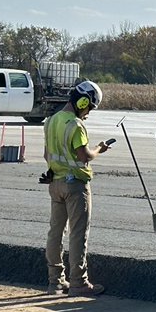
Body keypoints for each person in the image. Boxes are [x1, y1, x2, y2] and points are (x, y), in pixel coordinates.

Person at [44, 80, 110, 297]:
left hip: (56, 184)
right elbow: (84, 156)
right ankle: (78, 283)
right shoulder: (75, 125)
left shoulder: (52, 121)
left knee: (56, 232)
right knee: (78, 234)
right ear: (83, 102)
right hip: (75, 187)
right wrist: (100, 149)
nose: (88, 113)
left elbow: (47, 155)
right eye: (89, 107)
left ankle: (55, 282)